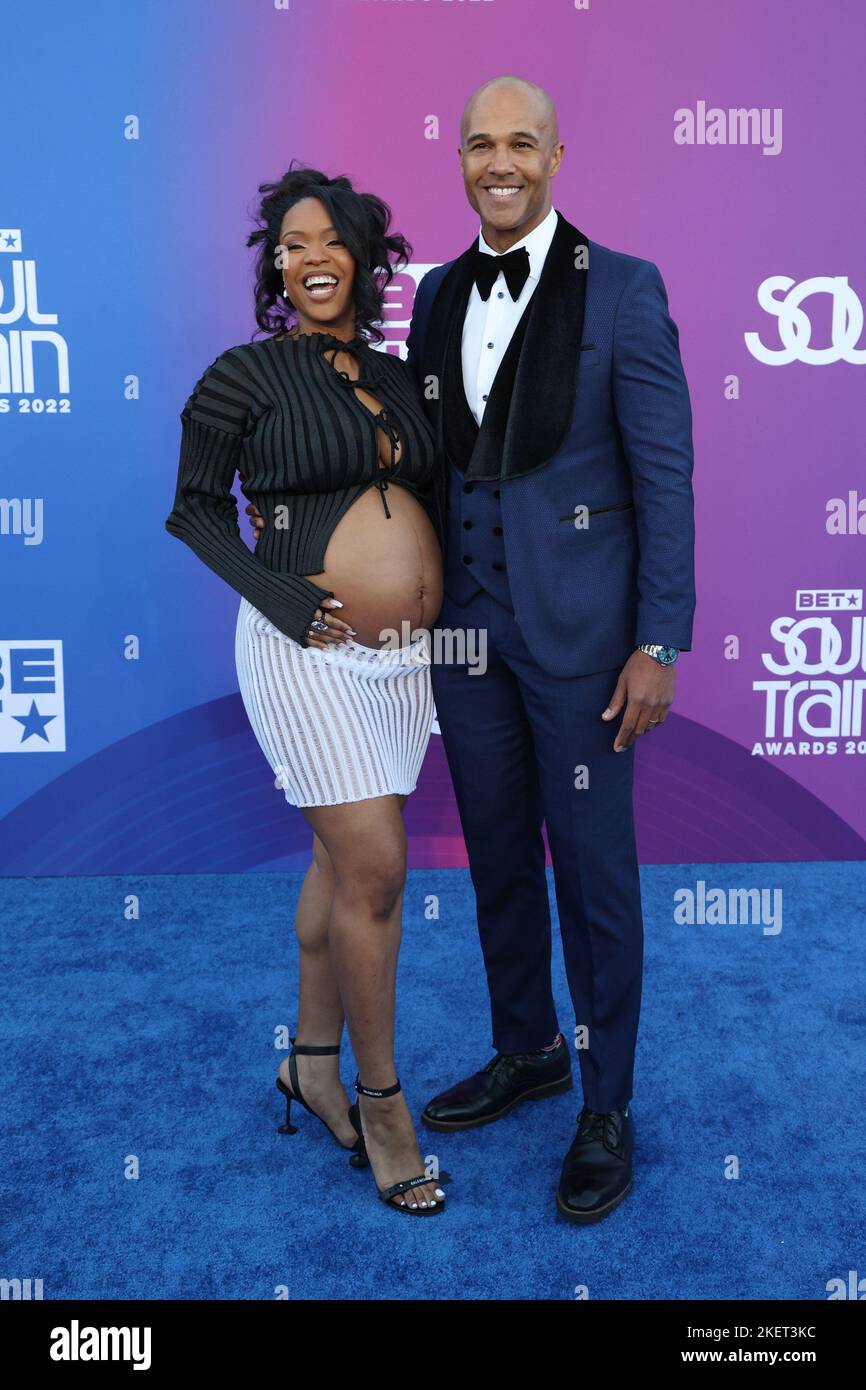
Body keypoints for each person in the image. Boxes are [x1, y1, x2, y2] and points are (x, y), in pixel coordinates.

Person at [249, 74, 697, 1225]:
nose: (498, 162)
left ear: (554, 154)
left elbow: (664, 481)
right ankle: (526, 1047)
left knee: (593, 876)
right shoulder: (438, 291)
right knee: (496, 853)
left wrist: (657, 639)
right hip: (463, 642)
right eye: (478, 144)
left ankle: (605, 1103)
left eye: (520, 144)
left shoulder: (626, 291)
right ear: (458, 159)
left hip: (587, 648)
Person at [165, 165, 449, 1216]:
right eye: (292, 243)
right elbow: (194, 511)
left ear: (364, 258)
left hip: (403, 665)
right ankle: (382, 1103)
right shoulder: (242, 376)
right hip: (304, 653)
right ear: (276, 265)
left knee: (341, 867)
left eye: (330, 240)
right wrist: (274, 594)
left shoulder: (400, 376)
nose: (311, 256)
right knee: (375, 866)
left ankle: (311, 1063)